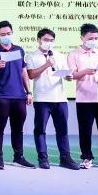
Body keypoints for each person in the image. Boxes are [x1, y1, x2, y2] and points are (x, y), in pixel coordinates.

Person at [25, 29, 78, 170]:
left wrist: (68, 77)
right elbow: (31, 75)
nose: (49, 43)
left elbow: (66, 74)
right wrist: (46, 65)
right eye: (46, 40)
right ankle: (43, 158)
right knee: (40, 130)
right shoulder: (31, 56)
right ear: (38, 40)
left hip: (60, 98)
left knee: (62, 130)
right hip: (42, 99)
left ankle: (65, 158)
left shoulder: (59, 55)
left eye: (51, 40)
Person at [0, 21, 34, 169]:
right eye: (3, 34)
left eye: (9, 33)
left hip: (19, 96)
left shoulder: (19, 50)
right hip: (1, 96)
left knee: (18, 128)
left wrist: (29, 92)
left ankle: (18, 157)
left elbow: (23, 71)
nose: (6, 36)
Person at [68, 23, 98, 171]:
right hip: (84, 97)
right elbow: (72, 75)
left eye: (96, 38)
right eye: (90, 38)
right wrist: (85, 71)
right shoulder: (73, 54)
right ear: (82, 37)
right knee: (85, 130)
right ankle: (86, 157)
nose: (93, 41)